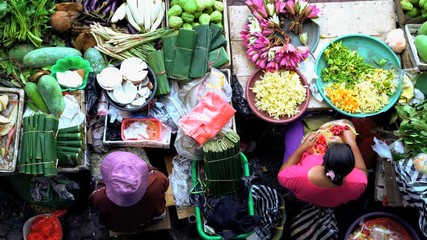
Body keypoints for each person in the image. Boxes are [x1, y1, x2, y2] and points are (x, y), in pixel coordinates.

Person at [277, 119, 368, 208]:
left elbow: (282, 173)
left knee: (295, 124)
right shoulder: (358, 182)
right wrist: (351, 142)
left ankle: (295, 198)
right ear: (351, 168)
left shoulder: (298, 176)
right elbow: (363, 171)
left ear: (323, 160)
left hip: (302, 192)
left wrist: (303, 147)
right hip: (329, 203)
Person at [89, 151, 169, 232]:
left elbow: (95, 203)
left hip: (121, 227)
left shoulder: (99, 197)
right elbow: (166, 186)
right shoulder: (158, 178)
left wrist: (102, 184)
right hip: (154, 214)